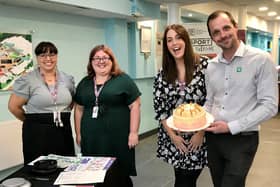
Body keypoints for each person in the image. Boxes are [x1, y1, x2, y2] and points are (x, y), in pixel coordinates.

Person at [205, 10, 278, 187]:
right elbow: (210, 101)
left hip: (243, 138)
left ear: (236, 27)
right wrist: (198, 121)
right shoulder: (211, 66)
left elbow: (270, 105)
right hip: (214, 138)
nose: (222, 35)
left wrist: (231, 127)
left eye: (226, 28)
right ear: (212, 38)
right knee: (218, 183)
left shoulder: (261, 59)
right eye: (216, 32)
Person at [74, 44, 141, 186]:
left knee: (118, 174)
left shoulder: (123, 80)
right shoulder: (84, 83)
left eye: (105, 57)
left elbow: (135, 105)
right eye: (96, 58)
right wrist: (79, 133)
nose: (101, 61)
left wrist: (133, 132)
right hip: (92, 138)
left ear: (112, 60)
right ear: (91, 62)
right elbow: (79, 109)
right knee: (93, 173)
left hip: (118, 137)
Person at [153, 24, 208, 187]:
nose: (174, 43)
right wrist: (173, 137)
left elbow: (213, 101)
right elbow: (160, 109)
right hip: (174, 138)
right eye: (169, 40)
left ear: (186, 40)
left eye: (178, 37)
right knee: (181, 177)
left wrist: (201, 133)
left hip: (198, 138)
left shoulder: (204, 65)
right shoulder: (163, 73)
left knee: (185, 180)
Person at [8, 41, 75, 164]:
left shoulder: (67, 79)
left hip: (63, 130)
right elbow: (13, 107)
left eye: (52, 54)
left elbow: (71, 102)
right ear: (37, 58)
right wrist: (32, 120)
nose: (48, 59)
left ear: (57, 56)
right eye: (43, 55)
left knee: (65, 165)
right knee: (39, 170)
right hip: (37, 132)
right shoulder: (27, 80)